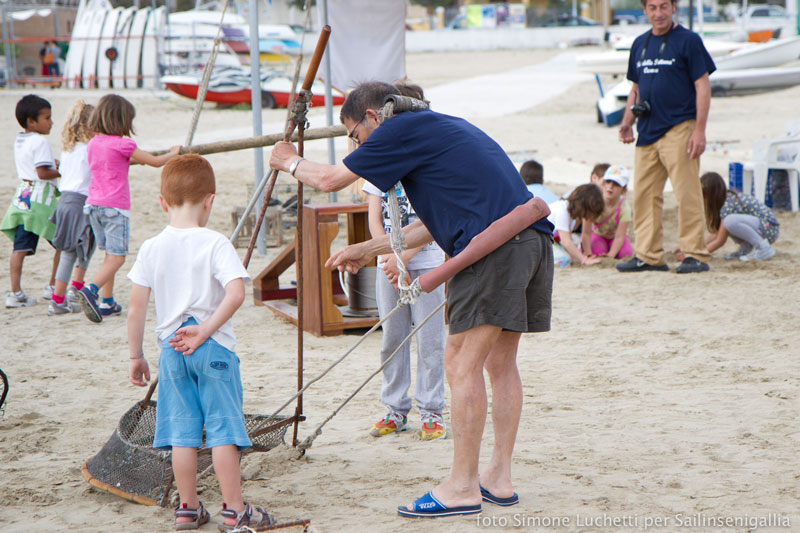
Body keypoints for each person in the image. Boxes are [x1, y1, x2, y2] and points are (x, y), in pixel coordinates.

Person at [269, 81, 553, 518]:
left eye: (355, 136)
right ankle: (497, 477)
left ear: (371, 118)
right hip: (529, 241)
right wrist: (367, 250)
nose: (358, 146)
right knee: (499, 364)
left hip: (494, 250)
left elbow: (329, 179)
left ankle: (461, 487)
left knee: (460, 362)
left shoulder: (394, 132)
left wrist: (289, 161)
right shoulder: (439, 127)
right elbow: (442, 221)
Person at [127, 154, 273, 532]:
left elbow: (136, 309)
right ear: (210, 201)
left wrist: (137, 355)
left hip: (171, 349)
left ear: (162, 201)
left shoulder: (151, 247)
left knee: (181, 432)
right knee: (224, 428)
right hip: (212, 347)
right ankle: (234, 509)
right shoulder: (215, 242)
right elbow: (236, 293)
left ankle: (188, 507)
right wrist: (206, 329)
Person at [362, 81, 447, 442]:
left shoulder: (430, 159)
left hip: (427, 263)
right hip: (389, 266)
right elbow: (372, 212)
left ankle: (432, 411)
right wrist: (386, 255)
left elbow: (432, 219)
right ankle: (395, 409)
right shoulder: (381, 159)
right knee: (392, 337)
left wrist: (404, 256)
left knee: (430, 341)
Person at [617, 0, 715, 274]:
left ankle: (694, 253)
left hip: (680, 127)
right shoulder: (640, 44)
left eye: (663, 6)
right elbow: (636, 86)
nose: (658, 13)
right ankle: (649, 256)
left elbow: (702, 86)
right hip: (647, 131)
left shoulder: (688, 41)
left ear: (673, 8)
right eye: (652, 7)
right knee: (644, 196)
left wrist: (699, 130)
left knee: (687, 193)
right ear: (645, 10)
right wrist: (627, 121)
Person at [76, 94, 180, 323]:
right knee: (118, 258)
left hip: (93, 206)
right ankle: (90, 290)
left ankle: (108, 301)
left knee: (108, 255)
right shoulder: (124, 144)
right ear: (122, 121)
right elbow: (154, 161)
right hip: (115, 208)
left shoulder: (93, 143)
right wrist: (173, 153)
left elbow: (112, 161)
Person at [1, 94, 61, 308]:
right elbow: (43, 173)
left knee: (20, 248)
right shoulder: (41, 141)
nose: (51, 122)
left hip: (22, 197)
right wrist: (61, 170)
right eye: (47, 118)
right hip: (40, 201)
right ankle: (54, 285)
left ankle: (15, 293)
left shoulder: (21, 139)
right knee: (63, 242)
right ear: (31, 122)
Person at [48, 100, 95, 315]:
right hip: (81, 203)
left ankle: (59, 297)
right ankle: (72, 292)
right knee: (84, 249)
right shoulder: (90, 149)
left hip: (64, 202)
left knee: (67, 251)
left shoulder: (69, 149)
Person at [699, 171, 778, 261]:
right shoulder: (725, 201)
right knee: (726, 224)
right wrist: (693, 249)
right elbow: (716, 234)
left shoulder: (727, 204)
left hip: (769, 227)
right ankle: (747, 249)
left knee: (730, 221)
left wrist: (700, 254)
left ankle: (763, 247)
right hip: (762, 227)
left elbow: (720, 241)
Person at [582, 164, 634, 260]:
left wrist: (611, 255)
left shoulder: (624, 207)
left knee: (626, 254)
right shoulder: (593, 202)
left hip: (615, 237)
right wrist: (588, 254)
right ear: (603, 183)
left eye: (616, 184)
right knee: (597, 252)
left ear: (624, 190)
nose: (610, 186)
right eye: (608, 182)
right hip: (598, 234)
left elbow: (619, 236)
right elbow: (586, 233)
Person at [547, 184, 605, 267]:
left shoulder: (569, 212)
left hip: (551, 240)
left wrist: (576, 257)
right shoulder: (562, 211)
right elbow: (566, 242)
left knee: (573, 252)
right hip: (540, 242)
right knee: (564, 260)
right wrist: (584, 260)